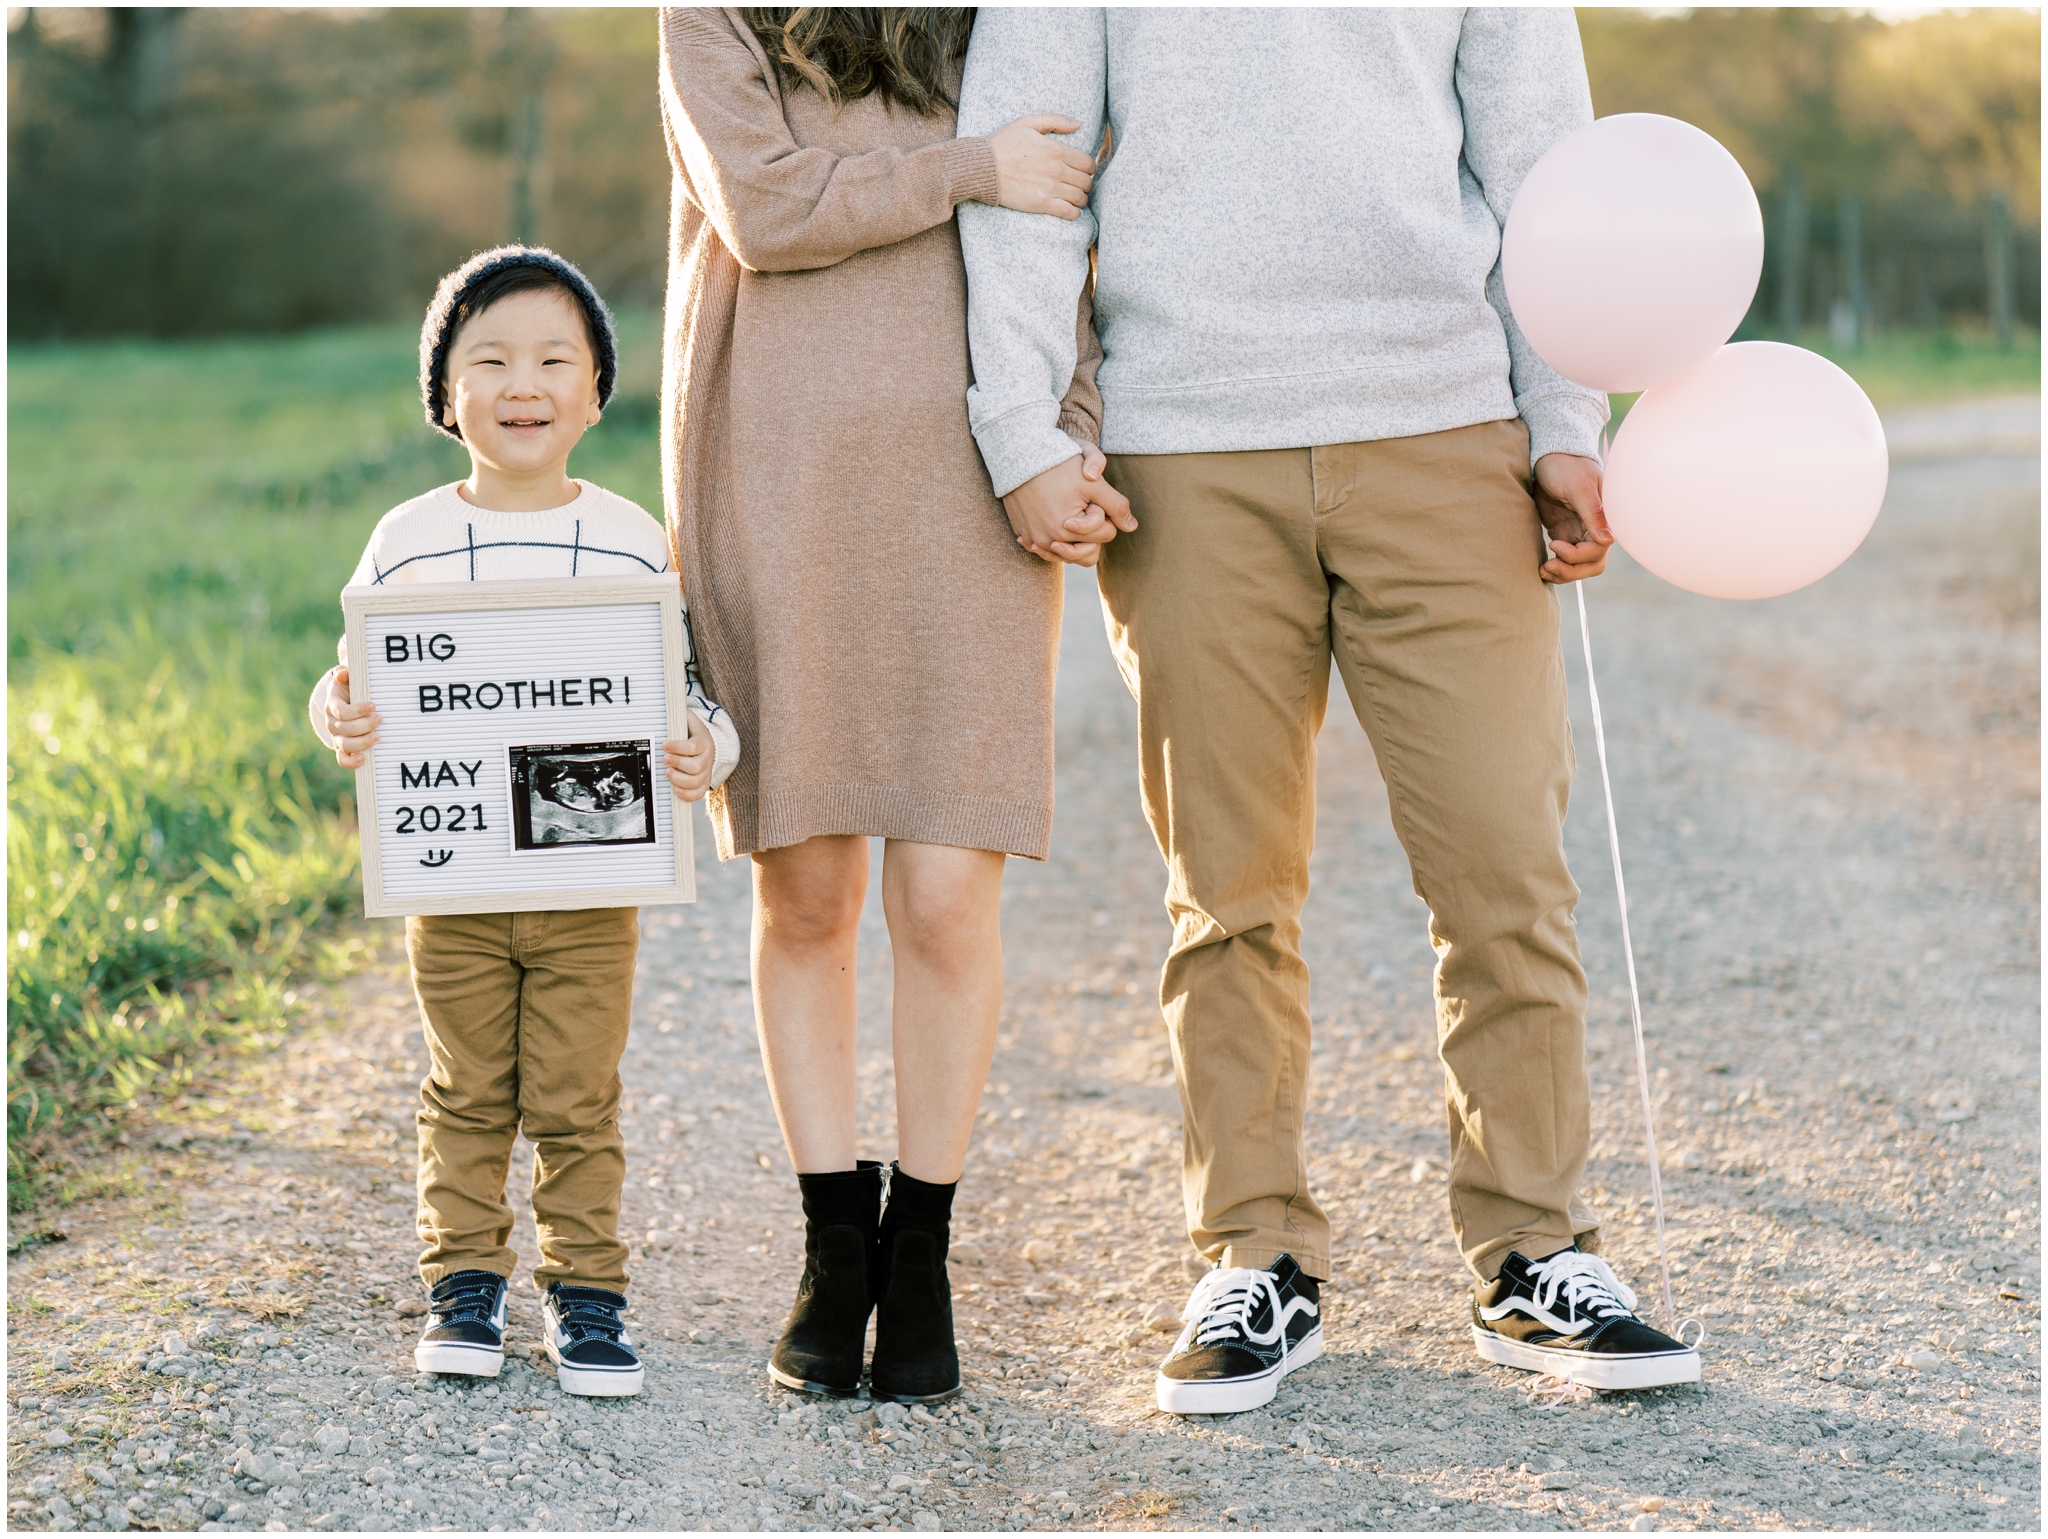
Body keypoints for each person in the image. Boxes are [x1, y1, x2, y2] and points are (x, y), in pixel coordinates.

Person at [958, 8, 1703, 1414]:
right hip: (1187, 446)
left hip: (1443, 431)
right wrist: (1025, 432)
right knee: (1226, 890)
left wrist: (1563, 422)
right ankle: (1253, 1250)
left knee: (1505, 870)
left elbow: (1546, 171)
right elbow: (1030, 176)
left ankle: (1534, 1247)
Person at [655, 7, 1129, 1403]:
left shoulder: (1015, 16)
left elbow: (1066, 244)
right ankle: (830, 1248)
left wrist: (1074, 427)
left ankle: (918, 1246)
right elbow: (765, 209)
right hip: (775, 481)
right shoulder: (710, 13)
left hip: (972, 485)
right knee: (805, 891)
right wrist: (968, 167)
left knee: (941, 896)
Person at [310, 246, 740, 1398]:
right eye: (488, 358)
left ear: (596, 391)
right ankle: (463, 1286)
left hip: (590, 885)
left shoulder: (632, 537)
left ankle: (588, 1297)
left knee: (576, 1094)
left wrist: (709, 752)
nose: (523, 383)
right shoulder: (405, 539)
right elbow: (352, 679)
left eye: (556, 359)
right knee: (465, 1089)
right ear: (445, 393)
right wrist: (339, 718)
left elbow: (686, 693)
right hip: (449, 882)